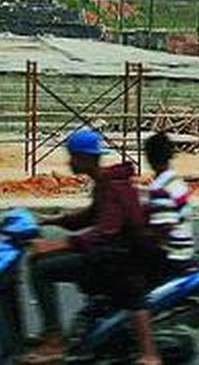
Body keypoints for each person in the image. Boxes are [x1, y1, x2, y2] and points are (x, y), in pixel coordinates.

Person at [20, 127, 160, 365]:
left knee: (42, 269)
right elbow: (89, 218)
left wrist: (56, 244)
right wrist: (53, 220)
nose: (70, 162)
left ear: (86, 158)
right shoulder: (105, 182)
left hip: (118, 259)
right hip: (110, 252)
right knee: (40, 260)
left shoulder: (112, 186)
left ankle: (55, 341)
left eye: (73, 156)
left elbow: (105, 232)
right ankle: (54, 333)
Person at [143, 132, 195, 281]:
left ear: (149, 158)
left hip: (173, 255)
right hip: (186, 251)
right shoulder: (176, 181)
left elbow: (163, 229)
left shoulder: (160, 188)